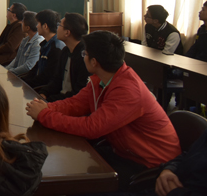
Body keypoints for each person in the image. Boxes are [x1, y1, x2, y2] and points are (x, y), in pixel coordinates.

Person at [26, 31, 181, 190]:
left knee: (81, 181)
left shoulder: (127, 90)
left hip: (151, 165)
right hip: (124, 151)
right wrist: (47, 107)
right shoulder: (102, 78)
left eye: (85, 54)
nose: (83, 57)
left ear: (94, 62)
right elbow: (76, 103)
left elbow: (91, 127)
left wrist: (45, 115)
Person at [37, 12, 89, 102]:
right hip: (60, 99)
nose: (57, 28)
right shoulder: (65, 51)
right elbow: (56, 80)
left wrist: (49, 101)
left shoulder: (84, 56)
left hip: (71, 103)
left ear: (67, 33)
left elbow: (78, 93)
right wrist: (44, 93)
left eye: (59, 25)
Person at [20, 10, 64, 89]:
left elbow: (46, 77)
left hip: (47, 89)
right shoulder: (45, 44)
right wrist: (21, 80)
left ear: (45, 26)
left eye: (38, 23)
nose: (36, 26)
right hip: (40, 85)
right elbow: (35, 70)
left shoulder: (56, 47)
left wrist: (26, 84)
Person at [6, 11, 43, 76]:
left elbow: (28, 66)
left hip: (24, 78)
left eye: (23, 22)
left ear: (28, 28)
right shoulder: (25, 40)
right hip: (17, 75)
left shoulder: (37, 43)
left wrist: (11, 72)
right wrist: (6, 70)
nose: (21, 24)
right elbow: (17, 59)